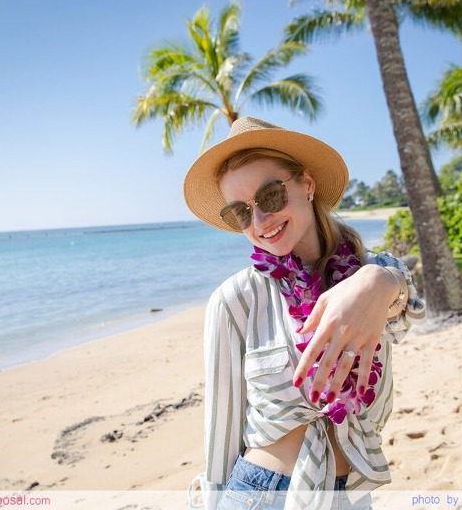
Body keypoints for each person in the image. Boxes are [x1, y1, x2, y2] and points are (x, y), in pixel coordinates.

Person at [183, 117, 426, 509]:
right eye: (242, 213)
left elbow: (411, 308)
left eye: (270, 197)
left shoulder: (373, 273)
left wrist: (381, 280)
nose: (260, 222)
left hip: (349, 493)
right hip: (261, 494)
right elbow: (220, 431)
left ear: (307, 184)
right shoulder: (235, 300)